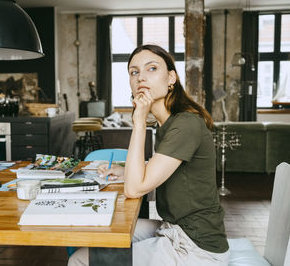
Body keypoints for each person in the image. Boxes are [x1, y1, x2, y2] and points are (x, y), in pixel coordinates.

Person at [68, 44, 229, 266]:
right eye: (134, 72)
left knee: (79, 260)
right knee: (101, 232)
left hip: (195, 247)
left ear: (171, 77)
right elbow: (159, 171)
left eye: (151, 68)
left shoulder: (185, 124)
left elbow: (135, 189)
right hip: (174, 229)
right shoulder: (168, 125)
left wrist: (139, 122)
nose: (140, 77)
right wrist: (125, 172)